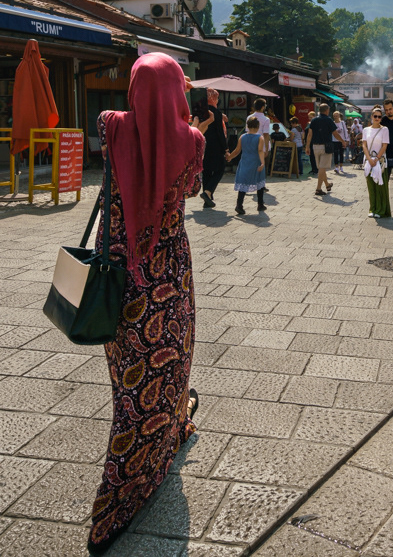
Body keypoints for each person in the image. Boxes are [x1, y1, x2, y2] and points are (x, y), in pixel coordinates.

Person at [89, 53, 213, 554]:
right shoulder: (194, 141)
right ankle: (142, 465)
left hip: (118, 271)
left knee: (129, 375)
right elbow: (193, 189)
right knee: (170, 363)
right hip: (167, 269)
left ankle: (158, 432)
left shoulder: (110, 125)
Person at [226, 115, 267, 214]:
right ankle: (260, 204)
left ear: (247, 126)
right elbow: (260, 151)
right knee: (259, 183)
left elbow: (237, 150)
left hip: (244, 162)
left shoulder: (242, 137)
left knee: (243, 184)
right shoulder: (260, 137)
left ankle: (239, 205)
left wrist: (230, 157)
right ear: (257, 126)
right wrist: (262, 162)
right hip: (256, 162)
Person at [198, 88, 227, 208]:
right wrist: (226, 149)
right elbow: (220, 133)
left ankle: (207, 200)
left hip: (203, 145)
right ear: (213, 98)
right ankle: (208, 192)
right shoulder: (216, 112)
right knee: (220, 169)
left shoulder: (201, 111)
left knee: (206, 171)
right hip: (215, 146)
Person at [361, 108, 391, 218]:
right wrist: (369, 159)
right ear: (371, 117)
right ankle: (372, 208)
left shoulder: (384, 129)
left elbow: (384, 145)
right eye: (375, 116)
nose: (377, 118)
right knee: (371, 186)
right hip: (368, 161)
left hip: (380, 161)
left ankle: (380, 210)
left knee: (380, 186)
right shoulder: (366, 130)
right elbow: (364, 145)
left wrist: (376, 159)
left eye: (379, 116)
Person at [305, 104, 335, 196]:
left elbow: (309, 134)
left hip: (315, 146)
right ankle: (318, 189)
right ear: (326, 110)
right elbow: (335, 133)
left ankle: (327, 185)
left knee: (321, 168)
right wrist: (342, 141)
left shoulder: (314, 120)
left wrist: (307, 146)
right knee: (322, 168)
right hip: (326, 147)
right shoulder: (329, 120)